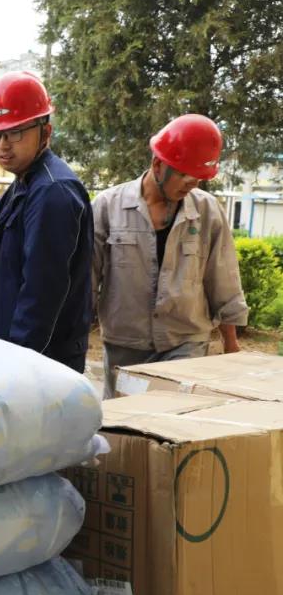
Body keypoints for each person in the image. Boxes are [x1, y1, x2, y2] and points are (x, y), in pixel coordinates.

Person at [93, 114, 248, 398]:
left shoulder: (208, 212)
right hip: (125, 346)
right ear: (157, 164)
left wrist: (231, 344)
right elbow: (86, 280)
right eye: (184, 175)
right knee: (125, 428)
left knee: (174, 426)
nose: (191, 183)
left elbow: (224, 279)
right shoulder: (107, 207)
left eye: (197, 178)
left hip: (186, 343)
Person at [0, 71, 93, 372]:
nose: (3, 145)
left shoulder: (53, 191)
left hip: (40, 364)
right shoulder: (24, 185)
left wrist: (18, 367)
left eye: (15, 133)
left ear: (46, 131)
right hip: (11, 354)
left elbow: (41, 293)